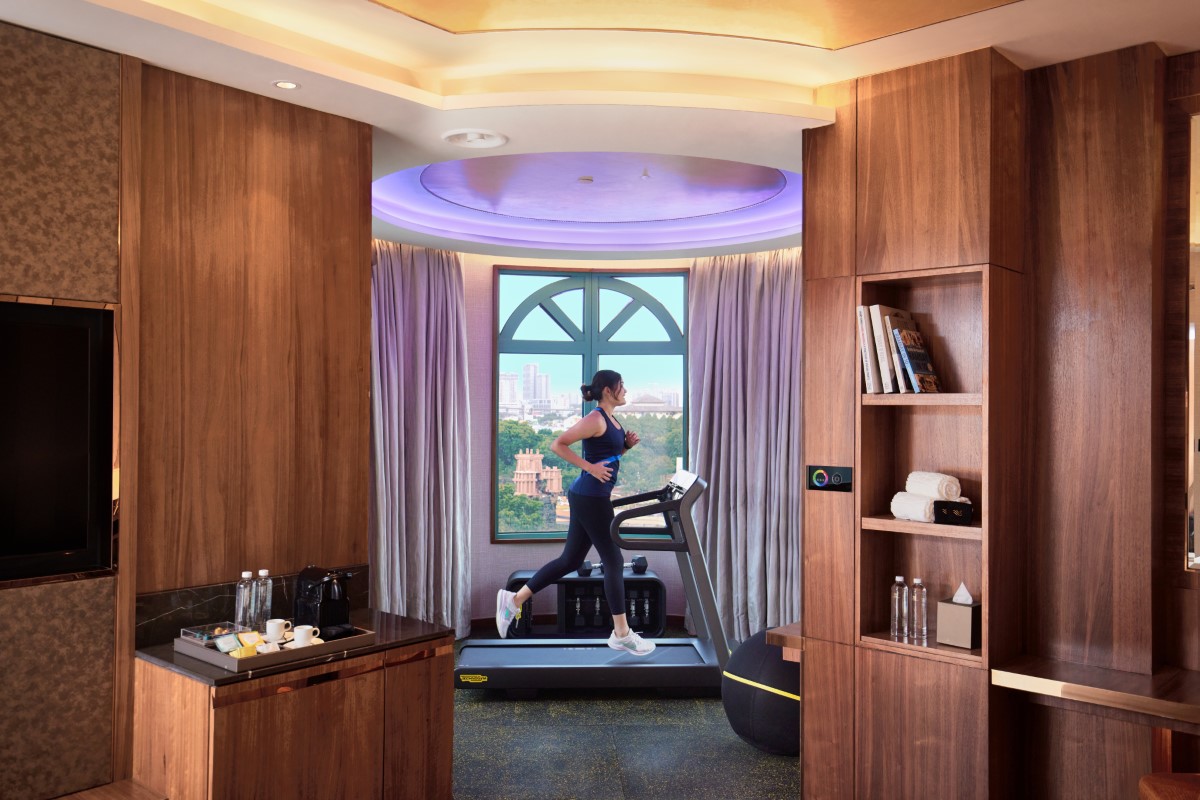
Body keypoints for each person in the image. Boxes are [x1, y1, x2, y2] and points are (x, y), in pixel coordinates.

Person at [495, 369, 655, 656]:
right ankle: (621, 633)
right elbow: (557, 445)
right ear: (608, 389)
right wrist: (590, 468)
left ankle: (514, 601)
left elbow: (607, 457)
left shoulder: (611, 420)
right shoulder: (595, 418)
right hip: (591, 496)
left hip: (589, 495)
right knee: (614, 560)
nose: (626, 390)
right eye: (622, 385)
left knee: (570, 560)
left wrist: (626, 447)